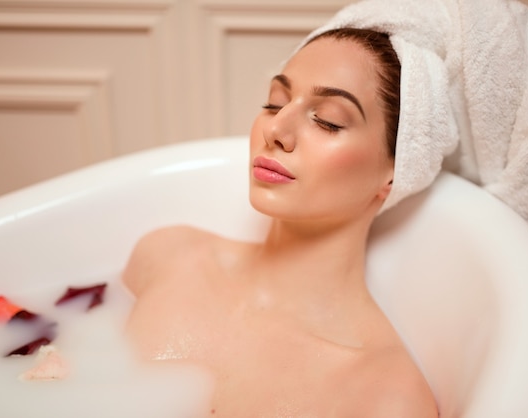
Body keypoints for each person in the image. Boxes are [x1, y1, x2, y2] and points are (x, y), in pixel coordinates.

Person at [123, 28, 438, 417]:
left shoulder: (384, 398)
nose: (275, 130)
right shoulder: (166, 257)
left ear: (395, 172)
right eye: (274, 103)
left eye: (327, 121)